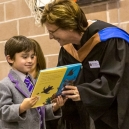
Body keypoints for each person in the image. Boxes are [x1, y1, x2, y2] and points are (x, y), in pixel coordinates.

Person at [40, 0, 129, 129]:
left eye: (52, 32)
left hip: (111, 117)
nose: (50, 37)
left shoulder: (111, 40)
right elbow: (64, 79)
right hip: (82, 118)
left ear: (69, 25)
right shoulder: (67, 50)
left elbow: (115, 80)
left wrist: (83, 92)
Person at [0, 35, 66, 129]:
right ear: (10, 59)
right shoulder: (5, 85)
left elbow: (38, 111)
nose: (30, 61)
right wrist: (21, 107)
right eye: (25, 57)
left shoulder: (34, 82)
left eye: (32, 56)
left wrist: (54, 107)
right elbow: (3, 111)